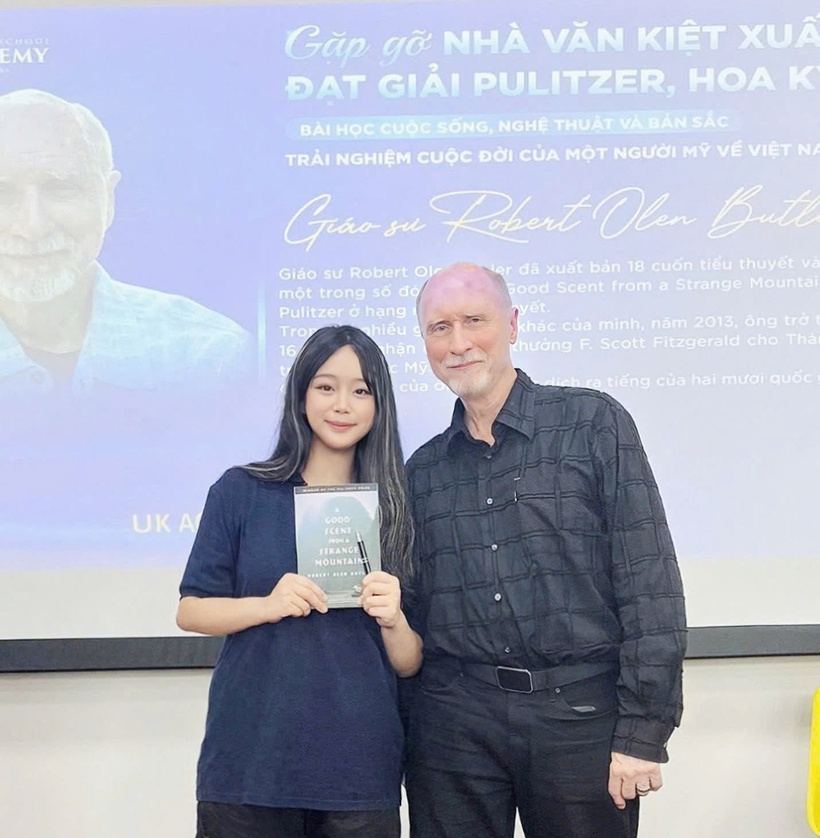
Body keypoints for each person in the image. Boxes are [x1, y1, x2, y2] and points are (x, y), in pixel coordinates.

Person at [403, 263, 686, 838]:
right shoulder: (422, 471)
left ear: (512, 324)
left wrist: (642, 732)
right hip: (454, 730)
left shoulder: (592, 424)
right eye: (439, 328)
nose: (457, 343)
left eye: (473, 321)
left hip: (580, 718)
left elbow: (648, 581)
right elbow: (413, 617)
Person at [177, 325, 422, 838]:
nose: (342, 405)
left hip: (358, 769)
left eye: (361, 391)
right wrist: (267, 604)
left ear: (379, 406)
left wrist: (394, 617)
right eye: (326, 386)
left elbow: (410, 661)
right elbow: (192, 610)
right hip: (250, 763)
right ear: (301, 395)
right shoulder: (241, 491)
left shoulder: (398, 506)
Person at [0, 88, 249, 396]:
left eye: (61, 189)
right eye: (2, 193)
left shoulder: (210, 358)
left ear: (109, 200)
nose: (32, 227)